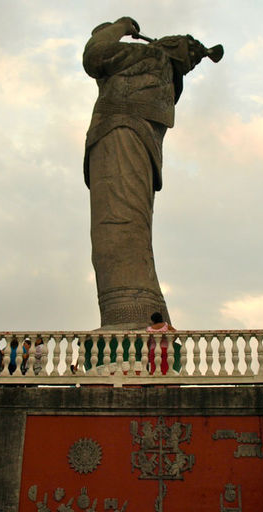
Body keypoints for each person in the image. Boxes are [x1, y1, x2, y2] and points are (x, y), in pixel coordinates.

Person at [83, 17, 219, 328]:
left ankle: (136, 313)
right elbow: (97, 57)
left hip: (126, 138)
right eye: (193, 54)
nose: (193, 60)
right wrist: (114, 29)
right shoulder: (156, 62)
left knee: (120, 225)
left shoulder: (155, 61)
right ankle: (138, 311)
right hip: (124, 137)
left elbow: (96, 54)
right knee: (123, 226)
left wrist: (115, 27)